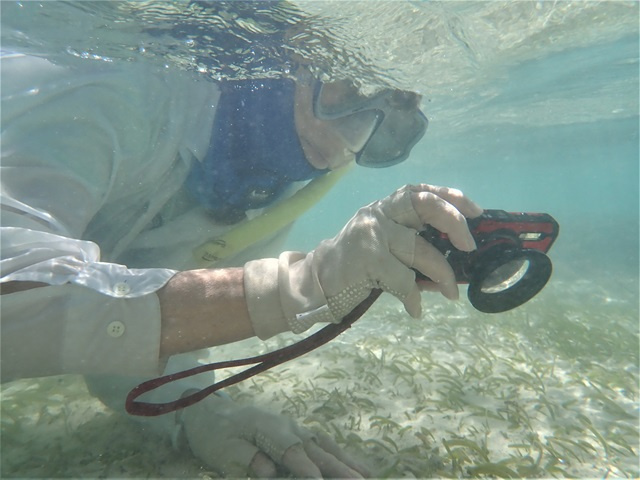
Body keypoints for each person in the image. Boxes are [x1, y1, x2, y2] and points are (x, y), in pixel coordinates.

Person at [0, 50, 483, 477]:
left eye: (390, 123)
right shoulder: (111, 94)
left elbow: (136, 316)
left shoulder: (281, 177)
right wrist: (302, 285)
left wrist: (196, 409)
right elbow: (14, 301)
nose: (349, 140)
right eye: (350, 91)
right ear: (290, 60)